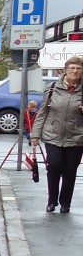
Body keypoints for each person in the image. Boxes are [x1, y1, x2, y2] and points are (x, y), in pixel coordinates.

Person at [30, 56, 83, 213]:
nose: (75, 71)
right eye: (72, 68)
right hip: (53, 135)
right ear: (65, 70)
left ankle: (65, 203)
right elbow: (43, 112)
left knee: (70, 170)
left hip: (76, 137)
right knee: (53, 166)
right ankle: (52, 201)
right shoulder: (53, 88)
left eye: (79, 69)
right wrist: (35, 134)